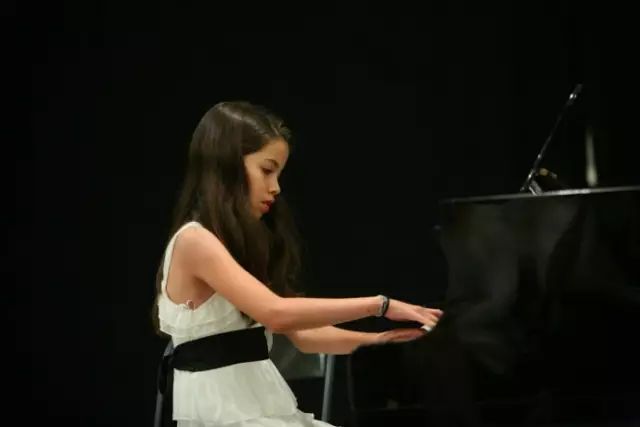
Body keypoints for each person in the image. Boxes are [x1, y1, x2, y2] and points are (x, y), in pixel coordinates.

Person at [152, 100, 443, 427]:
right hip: (224, 416)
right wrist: (380, 305)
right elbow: (276, 314)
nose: (275, 187)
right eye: (267, 170)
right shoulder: (194, 241)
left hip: (258, 408)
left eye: (278, 174)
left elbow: (305, 335)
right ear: (227, 165)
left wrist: (378, 343)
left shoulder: (237, 245)